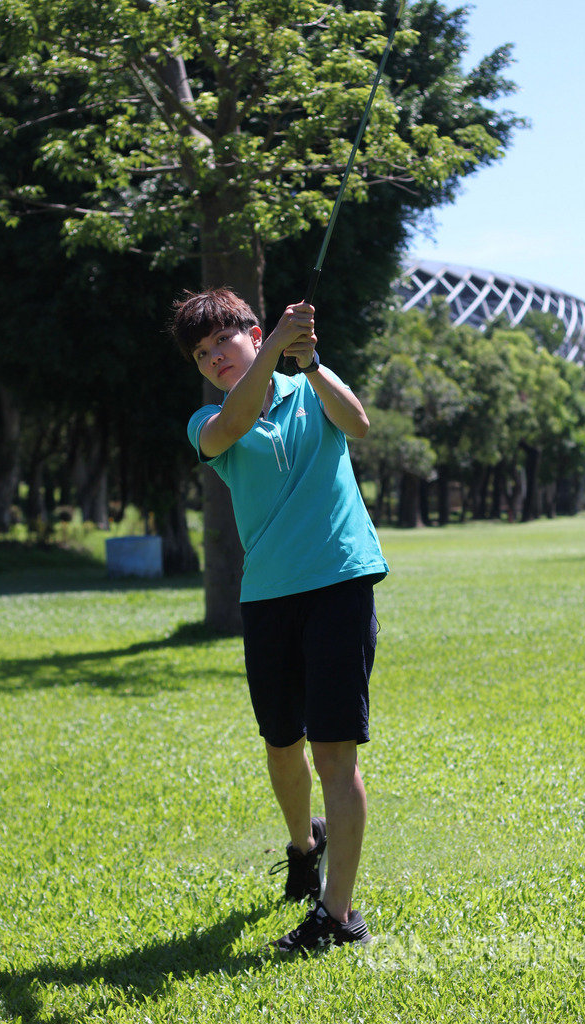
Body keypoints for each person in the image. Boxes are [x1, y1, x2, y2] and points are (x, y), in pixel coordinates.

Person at [172, 286, 388, 954]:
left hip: (339, 583)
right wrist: (270, 354)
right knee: (279, 744)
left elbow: (358, 425)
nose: (213, 359)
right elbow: (230, 427)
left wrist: (312, 362)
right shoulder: (209, 421)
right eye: (201, 354)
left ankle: (339, 916)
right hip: (267, 597)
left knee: (333, 751)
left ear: (253, 330)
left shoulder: (308, 389)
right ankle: (304, 844)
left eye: (222, 342)